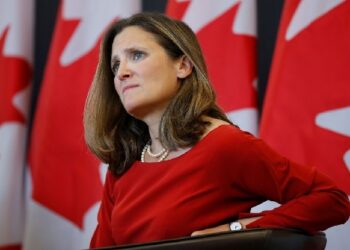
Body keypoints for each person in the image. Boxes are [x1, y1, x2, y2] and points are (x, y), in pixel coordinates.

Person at [84, 12, 350, 247]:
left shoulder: (223, 145)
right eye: (115, 65)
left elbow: (332, 200)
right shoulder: (125, 162)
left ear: (183, 66)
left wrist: (237, 230)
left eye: (137, 55)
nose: (121, 73)